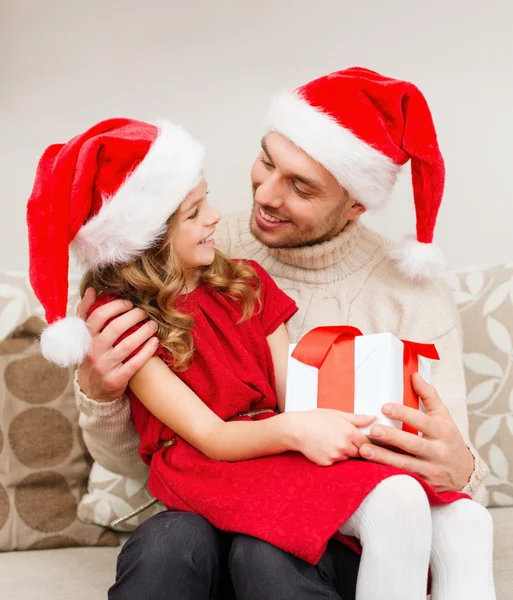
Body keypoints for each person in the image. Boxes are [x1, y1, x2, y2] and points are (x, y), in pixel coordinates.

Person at [26, 111, 495, 600]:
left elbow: (295, 394)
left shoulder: (242, 278)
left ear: (354, 203)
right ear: (147, 238)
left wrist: (367, 433)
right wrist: (99, 391)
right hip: (212, 463)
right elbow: (211, 435)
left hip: (275, 449)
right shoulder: (131, 318)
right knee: (175, 545)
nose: (258, 199)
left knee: (463, 517)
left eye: (302, 187)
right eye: (266, 163)